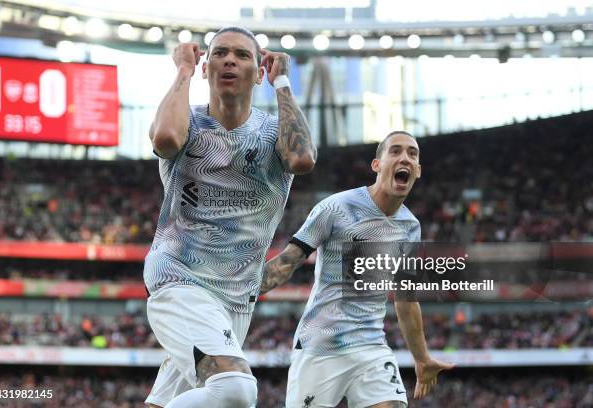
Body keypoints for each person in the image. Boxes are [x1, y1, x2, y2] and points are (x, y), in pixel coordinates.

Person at [144, 26, 316, 408]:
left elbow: (301, 159)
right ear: (207, 66)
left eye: (242, 55)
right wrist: (184, 70)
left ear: (259, 73)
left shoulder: (273, 133)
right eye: (220, 53)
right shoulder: (186, 121)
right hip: (179, 280)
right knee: (235, 390)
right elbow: (165, 140)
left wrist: (282, 80)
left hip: (237, 299)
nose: (229, 60)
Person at [260, 131, 453, 408]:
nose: (405, 158)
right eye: (396, 151)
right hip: (321, 345)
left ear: (419, 171)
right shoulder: (336, 208)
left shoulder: (410, 227)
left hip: (371, 346)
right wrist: (239, 293)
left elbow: (406, 300)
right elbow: (288, 261)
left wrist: (422, 358)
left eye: (412, 154)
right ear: (377, 165)